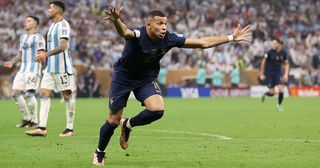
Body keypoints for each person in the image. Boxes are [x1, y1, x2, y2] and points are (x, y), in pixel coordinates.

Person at [93, 7, 252, 166]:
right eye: (159, 23)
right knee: (113, 120)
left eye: (165, 24)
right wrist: (116, 21)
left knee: (157, 110)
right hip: (124, 77)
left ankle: (127, 124)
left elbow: (202, 43)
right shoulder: (139, 34)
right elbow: (125, 32)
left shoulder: (169, 38)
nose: (163, 27)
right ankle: (100, 152)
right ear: (149, 25)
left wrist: (231, 37)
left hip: (146, 78)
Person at [25, 1, 76, 137]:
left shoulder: (64, 25)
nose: (48, 10)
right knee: (44, 93)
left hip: (62, 68)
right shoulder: (52, 26)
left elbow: (63, 46)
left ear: (58, 10)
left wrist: (45, 54)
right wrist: (43, 54)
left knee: (67, 95)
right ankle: (42, 128)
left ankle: (69, 129)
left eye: (51, 8)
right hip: (50, 68)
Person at [3, 16, 45, 128]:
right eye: (25, 20)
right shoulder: (22, 38)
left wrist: (41, 58)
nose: (25, 23)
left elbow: (42, 53)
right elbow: (20, 54)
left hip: (34, 69)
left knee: (29, 94)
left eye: (28, 21)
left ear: (35, 24)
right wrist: (12, 62)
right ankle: (27, 118)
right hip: (22, 69)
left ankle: (35, 121)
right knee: (15, 93)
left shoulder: (39, 38)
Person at [259, 38, 289, 111]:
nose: (273, 45)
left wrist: (286, 74)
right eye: (272, 43)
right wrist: (262, 74)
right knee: (272, 93)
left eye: (274, 43)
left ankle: (279, 105)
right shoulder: (269, 52)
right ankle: (265, 94)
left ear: (279, 44)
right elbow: (263, 63)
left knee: (281, 89)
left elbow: (286, 64)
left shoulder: (283, 53)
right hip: (269, 73)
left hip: (278, 73)